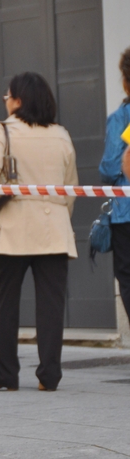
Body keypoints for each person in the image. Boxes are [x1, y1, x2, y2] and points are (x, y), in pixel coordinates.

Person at [0, 72, 78, 392]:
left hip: (13, 227)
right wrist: (59, 216)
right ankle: (49, 375)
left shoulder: (1, 130)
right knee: (51, 305)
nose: (5, 102)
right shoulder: (62, 134)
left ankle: (4, 374)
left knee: (5, 302)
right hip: (54, 227)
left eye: (7, 97)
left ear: (18, 100)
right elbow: (71, 188)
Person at [99, 47, 130, 324]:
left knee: (128, 278)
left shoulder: (120, 118)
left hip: (126, 215)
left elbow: (108, 169)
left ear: (125, 81)